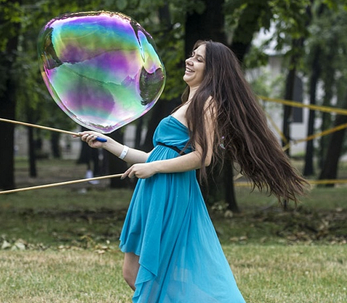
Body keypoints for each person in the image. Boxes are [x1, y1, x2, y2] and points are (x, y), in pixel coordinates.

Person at [76, 40, 308, 302]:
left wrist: (153, 168)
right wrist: (111, 145)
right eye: (192, 55)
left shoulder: (207, 104)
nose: (189, 61)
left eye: (198, 59)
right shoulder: (191, 102)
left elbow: (203, 157)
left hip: (170, 189)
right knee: (133, 273)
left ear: (213, 71)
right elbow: (158, 155)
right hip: (156, 187)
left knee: (144, 274)